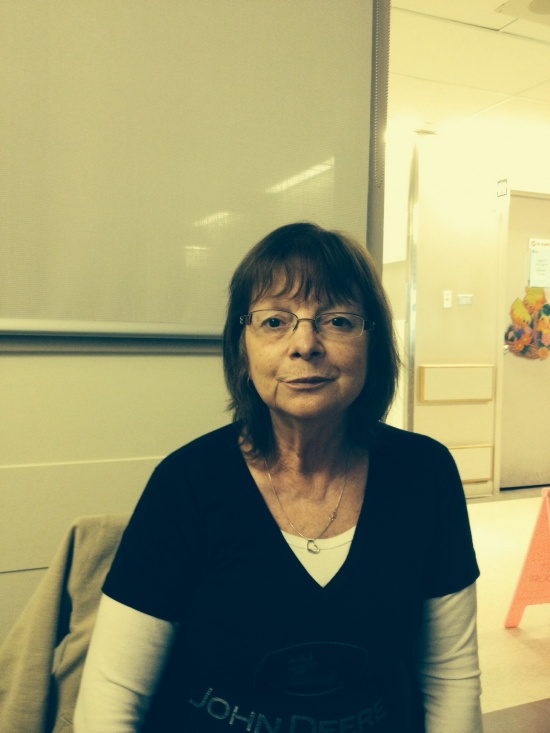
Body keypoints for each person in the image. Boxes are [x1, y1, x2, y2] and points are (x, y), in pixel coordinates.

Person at [74, 222, 482, 733]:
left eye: (337, 320)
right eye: (274, 321)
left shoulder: (425, 473)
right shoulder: (186, 483)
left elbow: (451, 679)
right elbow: (111, 700)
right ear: (242, 348)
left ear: (372, 343)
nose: (305, 344)